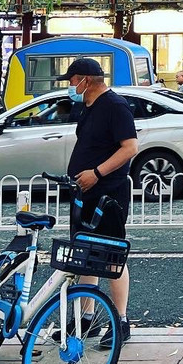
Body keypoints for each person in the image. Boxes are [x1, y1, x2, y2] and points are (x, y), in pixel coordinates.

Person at [58, 58, 139, 346]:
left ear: (86, 80)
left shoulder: (115, 106)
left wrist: (97, 173)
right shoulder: (87, 107)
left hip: (108, 194)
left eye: (72, 79)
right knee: (85, 254)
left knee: (112, 255)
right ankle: (87, 318)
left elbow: (130, 148)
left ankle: (120, 320)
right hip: (84, 193)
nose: (70, 85)